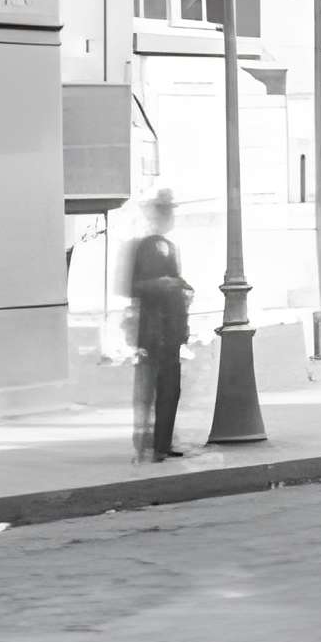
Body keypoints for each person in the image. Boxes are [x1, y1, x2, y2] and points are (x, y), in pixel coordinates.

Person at [124, 188, 193, 462]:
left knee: (170, 389)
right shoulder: (142, 246)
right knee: (148, 390)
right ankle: (146, 442)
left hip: (172, 331)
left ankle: (163, 442)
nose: (168, 216)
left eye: (170, 211)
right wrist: (162, 285)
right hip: (153, 331)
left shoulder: (171, 247)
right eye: (164, 211)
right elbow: (132, 286)